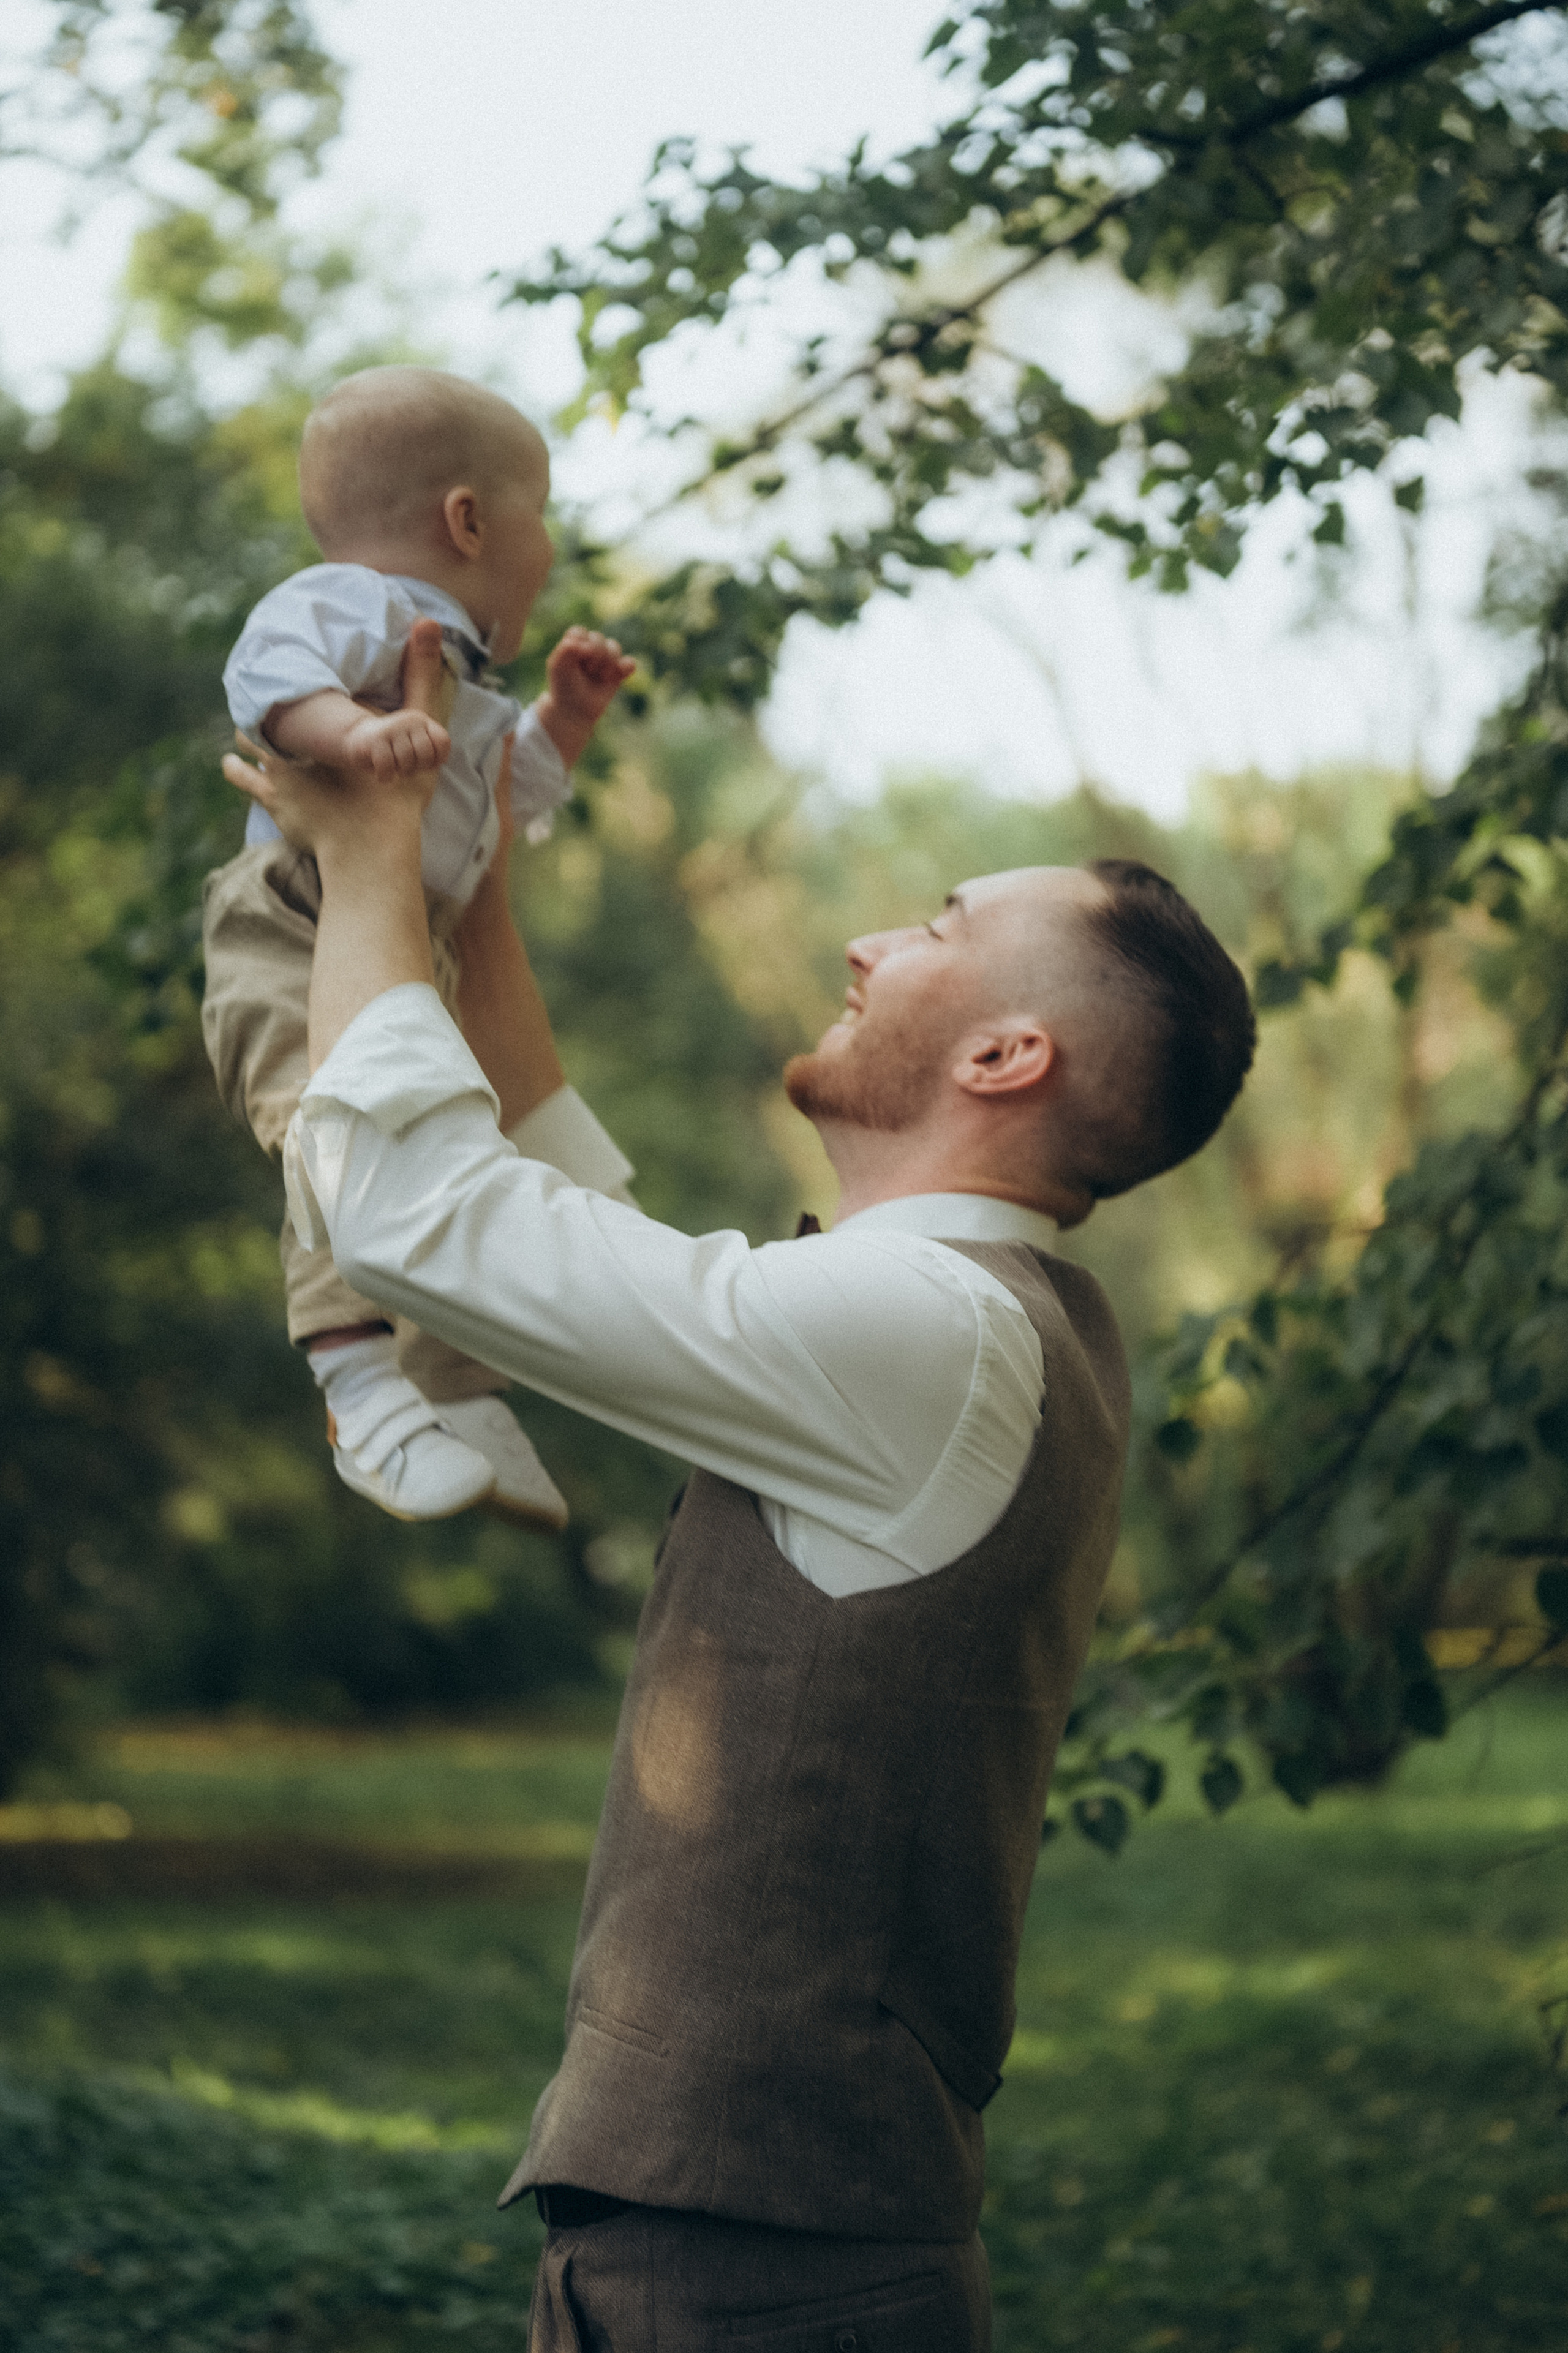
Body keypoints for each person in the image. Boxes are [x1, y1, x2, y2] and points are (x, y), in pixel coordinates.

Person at [222, 632, 1256, 2352]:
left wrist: (372, 853)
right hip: (765, 2245)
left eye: (932, 925)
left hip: (753, 2275)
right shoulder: (980, 1313)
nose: (870, 938)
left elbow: (426, 1218)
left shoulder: (928, 1332)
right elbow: (556, 1175)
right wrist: (470, 868)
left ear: (1007, 1057)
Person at [202, 364, 633, 1527]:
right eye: (540, 519)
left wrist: (568, 721)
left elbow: (507, 793)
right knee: (342, 1136)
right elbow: (268, 681)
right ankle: (356, 1387)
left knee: (448, 1151)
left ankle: (456, 1384)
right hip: (293, 914)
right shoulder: (360, 605)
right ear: (468, 521)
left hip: (414, 939)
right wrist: (359, 732)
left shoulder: (475, 681)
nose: (547, 551)